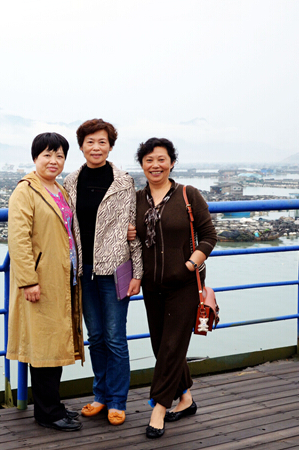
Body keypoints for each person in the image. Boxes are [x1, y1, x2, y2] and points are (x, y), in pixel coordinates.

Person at [131, 137, 217, 439]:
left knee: (171, 346)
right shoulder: (136, 199)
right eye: (149, 160)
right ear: (142, 165)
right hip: (152, 285)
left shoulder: (187, 194)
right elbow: (133, 240)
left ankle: (158, 408)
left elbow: (209, 236)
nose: (155, 165)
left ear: (172, 163)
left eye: (161, 159)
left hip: (184, 284)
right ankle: (186, 398)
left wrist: (189, 265)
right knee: (161, 346)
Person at [62, 119, 143, 426]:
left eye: (102, 142)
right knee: (95, 337)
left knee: (115, 337)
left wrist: (137, 273)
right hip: (84, 272)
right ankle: (101, 395)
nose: (96, 147)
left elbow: (133, 231)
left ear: (110, 146)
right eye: (90, 142)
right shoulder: (71, 182)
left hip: (115, 270)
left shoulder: (123, 182)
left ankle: (118, 400)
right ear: (81, 146)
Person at [6, 132, 85, 432]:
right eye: (47, 155)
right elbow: (18, 239)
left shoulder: (59, 189)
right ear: (35, 158)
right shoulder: (25, 191)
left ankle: (54, 405)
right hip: (41, 281)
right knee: (44, 348)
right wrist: (28, 281)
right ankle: (47, 413)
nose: (54, 161)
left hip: (63, 278)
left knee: (55, 344)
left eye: (59, 155)